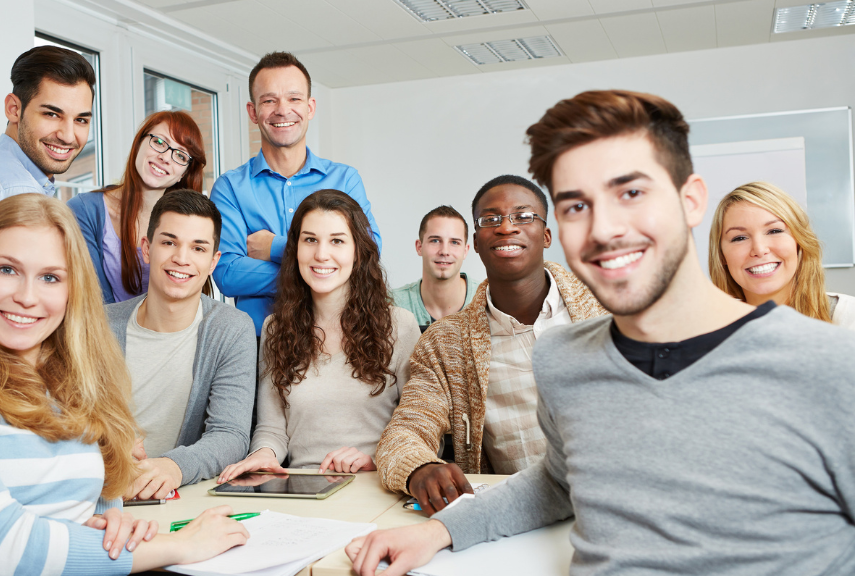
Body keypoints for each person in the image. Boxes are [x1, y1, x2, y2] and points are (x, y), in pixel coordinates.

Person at [347, 90, 855, 576]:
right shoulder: (564, 358)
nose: (604, 228)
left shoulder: (828, 364)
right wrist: (439, 531)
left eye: (631, 193)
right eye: (575, 206)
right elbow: (557, 482)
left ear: (691, 200)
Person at [0, 194, 249, 574]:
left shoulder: (73, 388)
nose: (26, 296)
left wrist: (111, 524)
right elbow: (2, 547)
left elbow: (96, 509)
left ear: (72, 291)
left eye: (50, 277)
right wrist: (181, 545)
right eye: (7, 270)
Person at [377, 176, 606, 514]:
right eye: (491, 219)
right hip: (519, 516)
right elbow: (405, 431)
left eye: (523, 216)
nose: (506, 228)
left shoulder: (608, 306)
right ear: (478, 243)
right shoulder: (446, 343)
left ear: (546, 236)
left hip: (616, 503)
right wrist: (419, 468)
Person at [217, 190, 419, 481]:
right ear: (295, 249)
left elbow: (422, 428)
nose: (321, 254)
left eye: (337, 240)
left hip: (378, 485)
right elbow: (272, 430)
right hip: (301, 489)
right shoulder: (277, 328)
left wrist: (375, 459)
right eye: (310, 240)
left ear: (358, 251)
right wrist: (262, 455)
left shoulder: (400, 326)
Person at [210, 51, 381, 336]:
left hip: (339, 340)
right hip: (258, 346)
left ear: (310, 107)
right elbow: (227, 273)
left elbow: (367, 255)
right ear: (253, 112)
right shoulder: (230, 188)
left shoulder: (345, 180)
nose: (282, 110)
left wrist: (275, 247)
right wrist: (324, 273)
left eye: (294, 98)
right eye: (269, 100)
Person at [106, 191, 254, 500]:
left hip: (179, 497)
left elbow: (230, 434)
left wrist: (174, 467)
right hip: (101, 493)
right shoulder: (100, 325)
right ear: (146, 249)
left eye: (198, 248)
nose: (181, 259)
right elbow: (63, 417)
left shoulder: (231, 329)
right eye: (169, 242)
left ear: (213, 262)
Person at [69, 111, 207, 303]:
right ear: (139, 142)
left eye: (181, 155)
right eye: (159, 142)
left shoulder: (190, 225)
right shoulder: (85, 210)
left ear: (184, 173)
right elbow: (93, 303)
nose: (166, 158)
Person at [0, 45, 95, 223]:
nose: (68, 136)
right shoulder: (17, 195)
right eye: (52, 114)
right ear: (14, 109)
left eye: (81, 120)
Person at [709, 180, 855, 328]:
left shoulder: (849, 318)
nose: (759, 249)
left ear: (800, 242)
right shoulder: (703, 330)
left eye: (774, 231)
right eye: (739, 238)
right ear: (721, 256)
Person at [390, 205, 479, 331]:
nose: (444, 251)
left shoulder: (489, 301)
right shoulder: (391, 304)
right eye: (435, 241)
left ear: (465, 251)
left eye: (454, 242)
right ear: (419, 247)